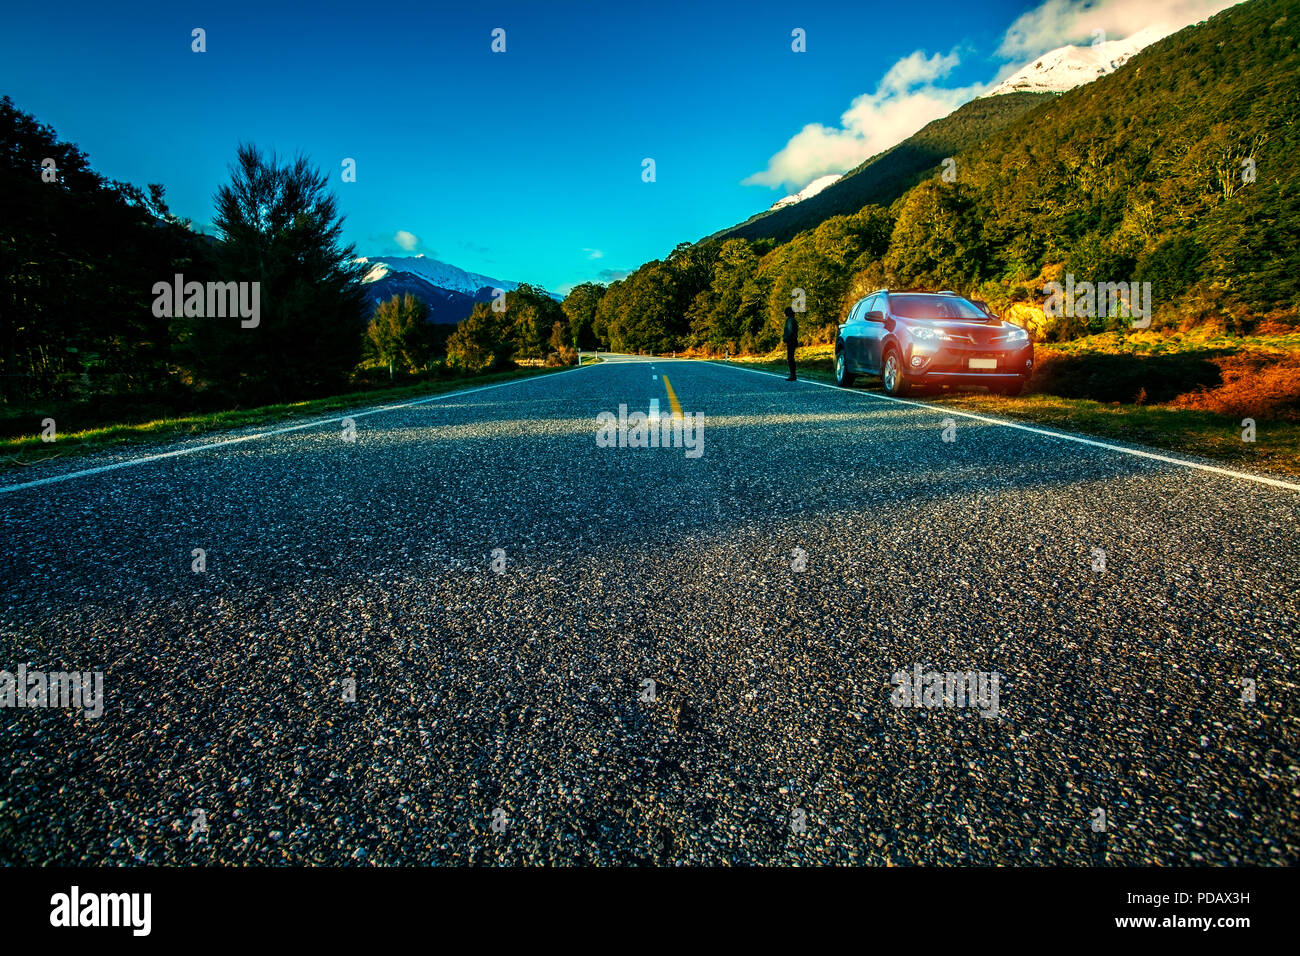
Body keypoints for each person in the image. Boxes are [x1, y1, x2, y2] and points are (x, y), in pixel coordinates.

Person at [782, 306, 799, 381]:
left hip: (791, 341)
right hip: (793, 340)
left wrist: (785, 338)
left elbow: (790, 331)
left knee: (790, 358)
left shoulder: (789, 320)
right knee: (791, 357)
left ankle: (793, 375)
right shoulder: (793, 320)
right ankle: (793, 374)